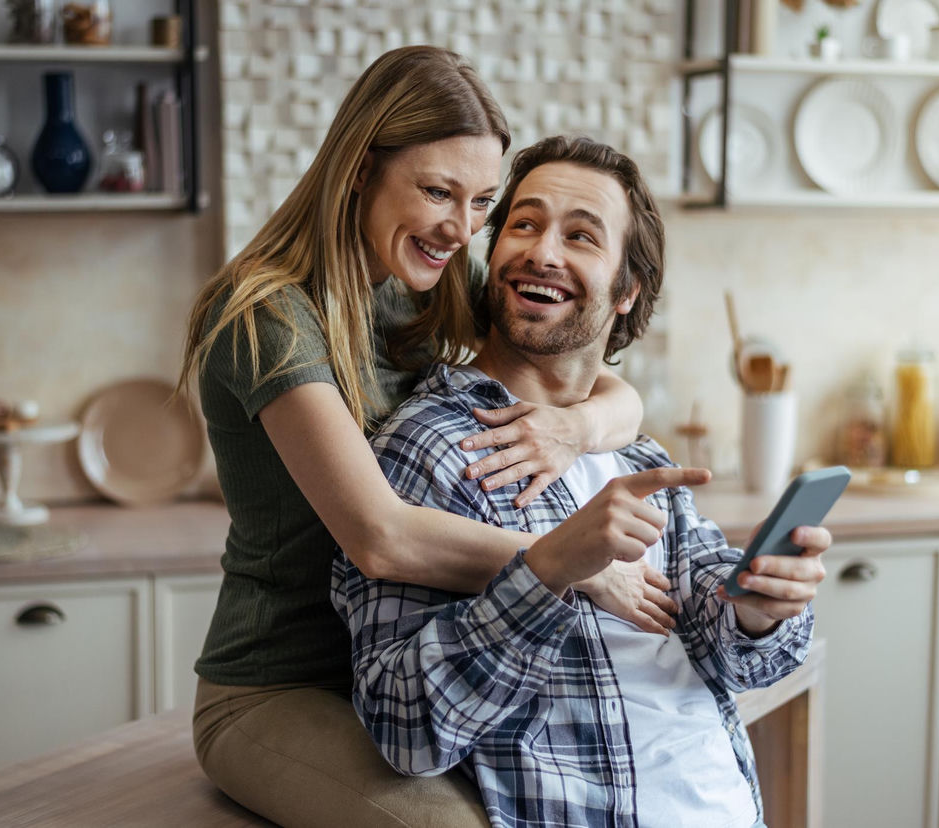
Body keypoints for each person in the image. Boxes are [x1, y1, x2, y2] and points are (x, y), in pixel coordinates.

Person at [180, 48, 657, 827]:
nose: (458, 228)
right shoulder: (266, 314)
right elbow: (381, 539)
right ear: (360, 168)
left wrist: (573, 429)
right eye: (437, 191)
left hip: (408, 665)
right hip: (283, 687)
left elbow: (604, 383)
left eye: (479, 203)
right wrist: (569, 566)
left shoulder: (425, 287)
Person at [332, 136, 832, 828]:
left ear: (626, 291)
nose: (543, 252)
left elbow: (734, 653)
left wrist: (761, 605)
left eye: (581, 236)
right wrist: (547, 571)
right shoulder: (433, 447)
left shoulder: (634, 452)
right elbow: (402, 726)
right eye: (525, 224)